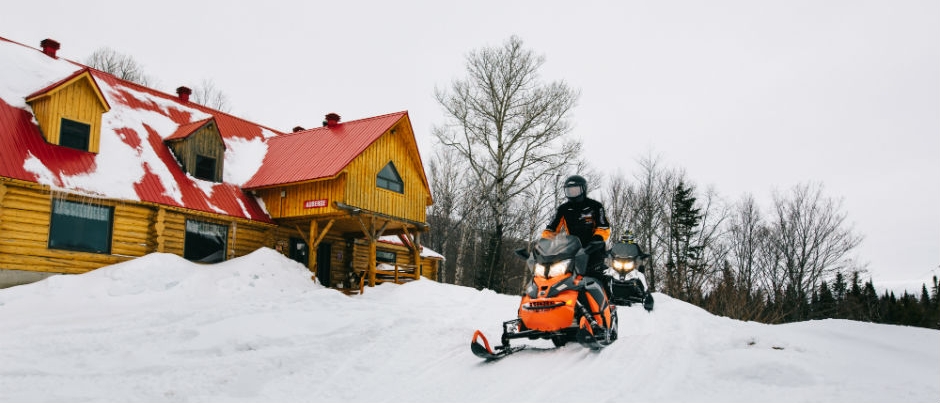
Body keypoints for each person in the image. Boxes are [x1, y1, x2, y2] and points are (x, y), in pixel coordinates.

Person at [541, 175, 613, 334]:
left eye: (575, 190)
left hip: (593, 250)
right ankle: (564, 315)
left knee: (594, 278)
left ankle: (604, 314)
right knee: (563, 280)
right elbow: (552, 228)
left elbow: (603, 227)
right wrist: (543, 244)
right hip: (572, 251)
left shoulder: (595, 206)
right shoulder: (564, 209)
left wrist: (597, 240)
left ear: (583, 189)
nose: (572, 193)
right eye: (569, 190)